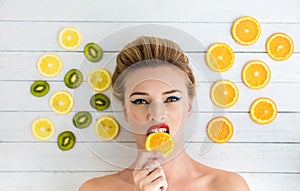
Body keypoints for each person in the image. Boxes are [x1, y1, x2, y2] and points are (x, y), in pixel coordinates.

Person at [79, 36, 250, 191]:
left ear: (189, 107)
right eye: (140, 101)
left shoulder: (227, 186)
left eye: (171, 99)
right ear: (125, 112)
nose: (157, 114)